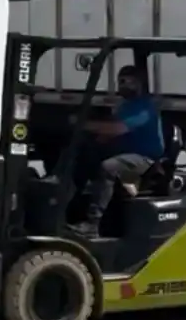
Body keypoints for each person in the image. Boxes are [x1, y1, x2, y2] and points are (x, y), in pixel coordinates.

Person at [68, 65, 165, 237]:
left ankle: (93, 223)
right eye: (119, 81)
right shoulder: (125, 106)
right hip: (127, 153)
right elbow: (108, 134)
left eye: (126, 81)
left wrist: (83, 124)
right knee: (84, 157)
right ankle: (72, 208)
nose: (121, 86)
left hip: (144, 158)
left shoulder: (144, 107)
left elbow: (118, 129)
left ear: (138, 83)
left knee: (108, 167)